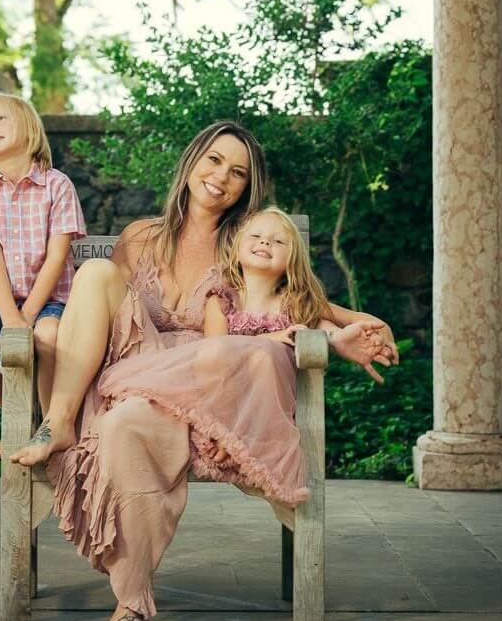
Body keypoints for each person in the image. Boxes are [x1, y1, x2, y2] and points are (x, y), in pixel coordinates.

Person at [10, 122, 396, 621]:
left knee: (124, 426)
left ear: (248, 187)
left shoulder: (246, 243)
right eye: (214, 161)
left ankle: (132, 606)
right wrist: (40, 328)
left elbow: (305, 299)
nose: (222, 178)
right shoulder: (141, 237)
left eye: (237, 172)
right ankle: (60, 422)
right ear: (193, 163)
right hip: (132, 367)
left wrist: (363, 325)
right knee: (96, 272)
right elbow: (93, 307)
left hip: (202, 384)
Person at [98, 205, 388, 499]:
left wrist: (346, 339)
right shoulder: (221, 300)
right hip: (225, 398)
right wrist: (275, 337)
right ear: (236, 251)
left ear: (293, 261)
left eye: (278, 241)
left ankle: (241, 444)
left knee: (264, 359)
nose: (265, 243)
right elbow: (216, 360)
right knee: (226, 359)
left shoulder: (298, 303)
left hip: (268, 409)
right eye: (257, 236)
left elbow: (333, 328)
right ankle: (229, 437)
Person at [0, 92, 86, 455]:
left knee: (47, 334)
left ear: (28, 130)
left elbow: (57, 257)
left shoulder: (57, 185)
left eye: (0, 120)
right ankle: (21, 417)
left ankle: (50, 425)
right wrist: (12, 319)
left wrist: (27, 316)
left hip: (51, 299)